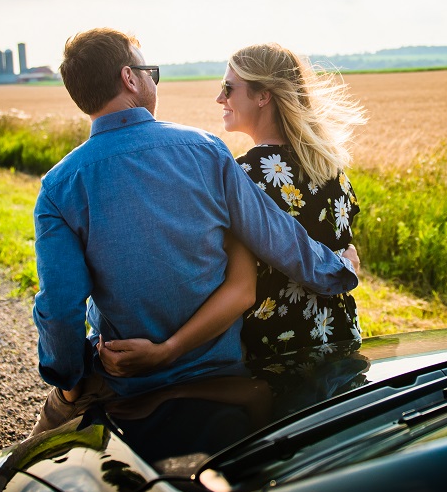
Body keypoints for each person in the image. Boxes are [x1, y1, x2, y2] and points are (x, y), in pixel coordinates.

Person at [30, 29, 359, 436]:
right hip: (221, 377)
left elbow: (60, 307)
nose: (154, 80)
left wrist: (68, 375)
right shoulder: (205, 151)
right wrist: (340, 271)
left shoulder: (59, 187)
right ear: (130, 78)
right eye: (150, 70)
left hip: (126, 383)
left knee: (32, 460)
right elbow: (277, 237)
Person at [98, 42, 367, 375]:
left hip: (278, 353)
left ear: (262, 95)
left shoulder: (244, 176)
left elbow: (241, 292)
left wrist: (168, 350)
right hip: (340, 337)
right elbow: (348, 250)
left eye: (228, 88)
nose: (219, 98)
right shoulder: (331, 168)